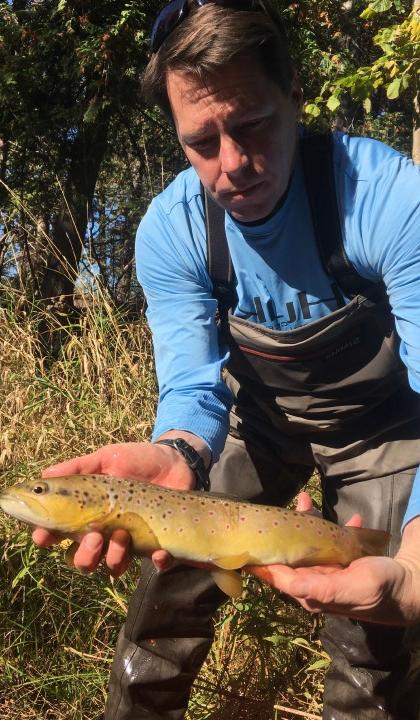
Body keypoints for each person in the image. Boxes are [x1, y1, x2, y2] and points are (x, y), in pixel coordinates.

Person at [33, 1, 420, 718]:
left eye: (252, 126)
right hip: (261, 422)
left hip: (383, 433)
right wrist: (177, 449)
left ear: (294, 95)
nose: (232, 164)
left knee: (376, 630)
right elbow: (193, 385)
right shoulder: (173, 230)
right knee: (166, 590)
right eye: (201, 141)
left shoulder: (388, 199)